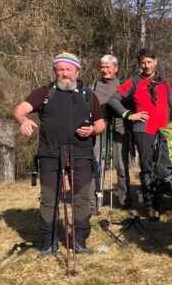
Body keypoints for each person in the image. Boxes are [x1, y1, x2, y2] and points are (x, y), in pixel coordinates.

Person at [13, 52, 106, 255]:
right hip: (49, 153)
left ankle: (79, 241)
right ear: (55, 70)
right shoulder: (44, 92)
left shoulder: (88, 95)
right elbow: (19, 110)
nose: (64, 74)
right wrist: (24, 120)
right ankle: (49, 242)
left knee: (81, 198)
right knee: (48, 198)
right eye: (60, 69)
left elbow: (101, 124)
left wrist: (92, 130)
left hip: (81, 153)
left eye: (68, 69)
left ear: (77, 70)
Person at [108, 48, 172, 219]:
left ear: (156, 61)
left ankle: (166, 200)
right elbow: (113, 100)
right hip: (143, 131)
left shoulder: (164, 82)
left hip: (164, 131)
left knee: (166, 165)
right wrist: (129, 115)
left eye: (149, 62)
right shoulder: (134, 82)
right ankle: (150, 205)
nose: (146, 65)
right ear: (139, 64)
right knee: (147, 166)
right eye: (143, 62)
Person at [89, 54, 132, 212]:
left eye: (108, 67)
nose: (105, 70)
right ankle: (94, 204)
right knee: (97, 164)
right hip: (99, 125)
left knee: (120, 164)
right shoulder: (94, 85)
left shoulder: (123, 85)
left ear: (116, 69)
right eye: (102, 67)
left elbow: (129, 105)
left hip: (119, 125)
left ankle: (125, 201)